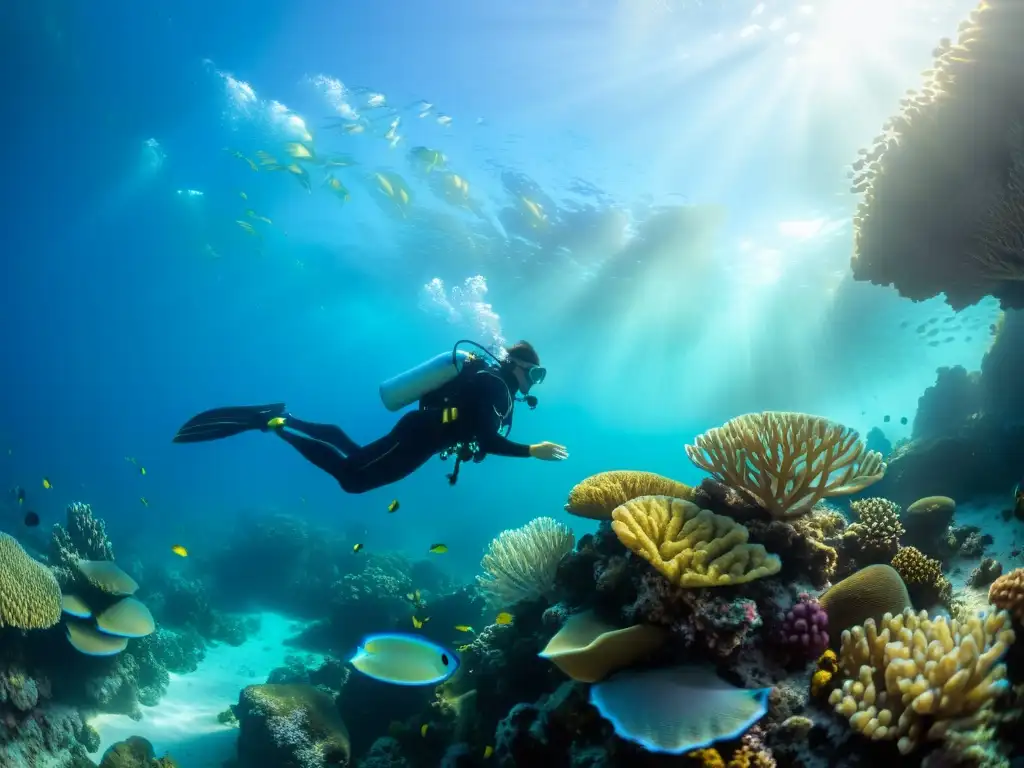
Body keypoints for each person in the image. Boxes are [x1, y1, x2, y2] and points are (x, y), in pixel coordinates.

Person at [172, 340, 568, 493]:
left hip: (421, 437)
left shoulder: (493, 385)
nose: (535, 381)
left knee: (357, 462)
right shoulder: (495, 387)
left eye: (539, 376)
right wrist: (532, 450)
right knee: (352, 479)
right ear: (514, 365)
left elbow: (475, 435)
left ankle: (282, 419)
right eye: (533, 373)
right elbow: (486, 440)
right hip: (419, 437)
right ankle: (273, 422)